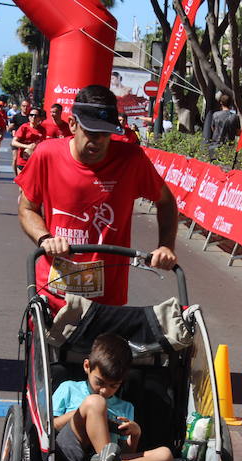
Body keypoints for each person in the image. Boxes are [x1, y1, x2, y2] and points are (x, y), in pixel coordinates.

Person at [17, 84, 178, 314]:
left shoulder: (131, 160)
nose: (99, 141)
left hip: (106, 296)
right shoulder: (47, 154)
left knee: (103, 351)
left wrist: (165, 246)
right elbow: (26, 208)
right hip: (54, 291)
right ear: (72, 124)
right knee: (46, 345)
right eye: (91, 132)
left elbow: (166, 201)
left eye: (106, 133)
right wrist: (45, 239)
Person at [52, 333, 174, 461]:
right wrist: (78, 413)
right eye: (100, 382)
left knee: (165, 455)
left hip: (102, 460)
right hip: (69, 450)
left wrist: (135, 435)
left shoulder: (125, 407)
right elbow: (51, 426)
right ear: (87, 366)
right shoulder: (69, 388)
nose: (104, 390)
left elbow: (124, 453)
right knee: (96, 402)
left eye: (113, 386)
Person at [11, 107, 45, 176]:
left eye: (36, 115)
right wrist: (27, 146)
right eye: (31, 115)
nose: (33, 117)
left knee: (32, 185)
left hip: (35, 161)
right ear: (29, 117)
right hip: (23, 161)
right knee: (22, 185)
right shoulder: (24, 127)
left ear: (39, 118)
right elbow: (13, 142)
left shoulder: (42, 130)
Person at [208, 92, 241, 158]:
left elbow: (213, 129)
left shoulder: (215, 115)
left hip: (215, 145)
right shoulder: (235, 117)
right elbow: (238, 132)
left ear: (221, 103)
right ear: (231, 103)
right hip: (228, 147)